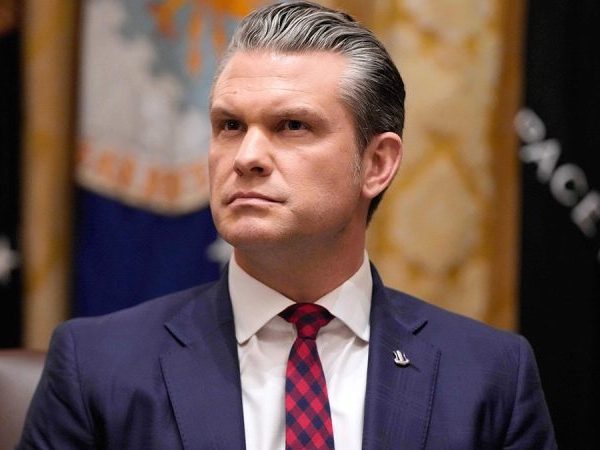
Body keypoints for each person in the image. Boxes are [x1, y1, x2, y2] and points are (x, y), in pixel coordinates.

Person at [19, 2, 556, 449]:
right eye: (230, 125)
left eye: (292, 126)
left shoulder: (489, 376)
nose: (247, 156)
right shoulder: (97, 368)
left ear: (376, 164)